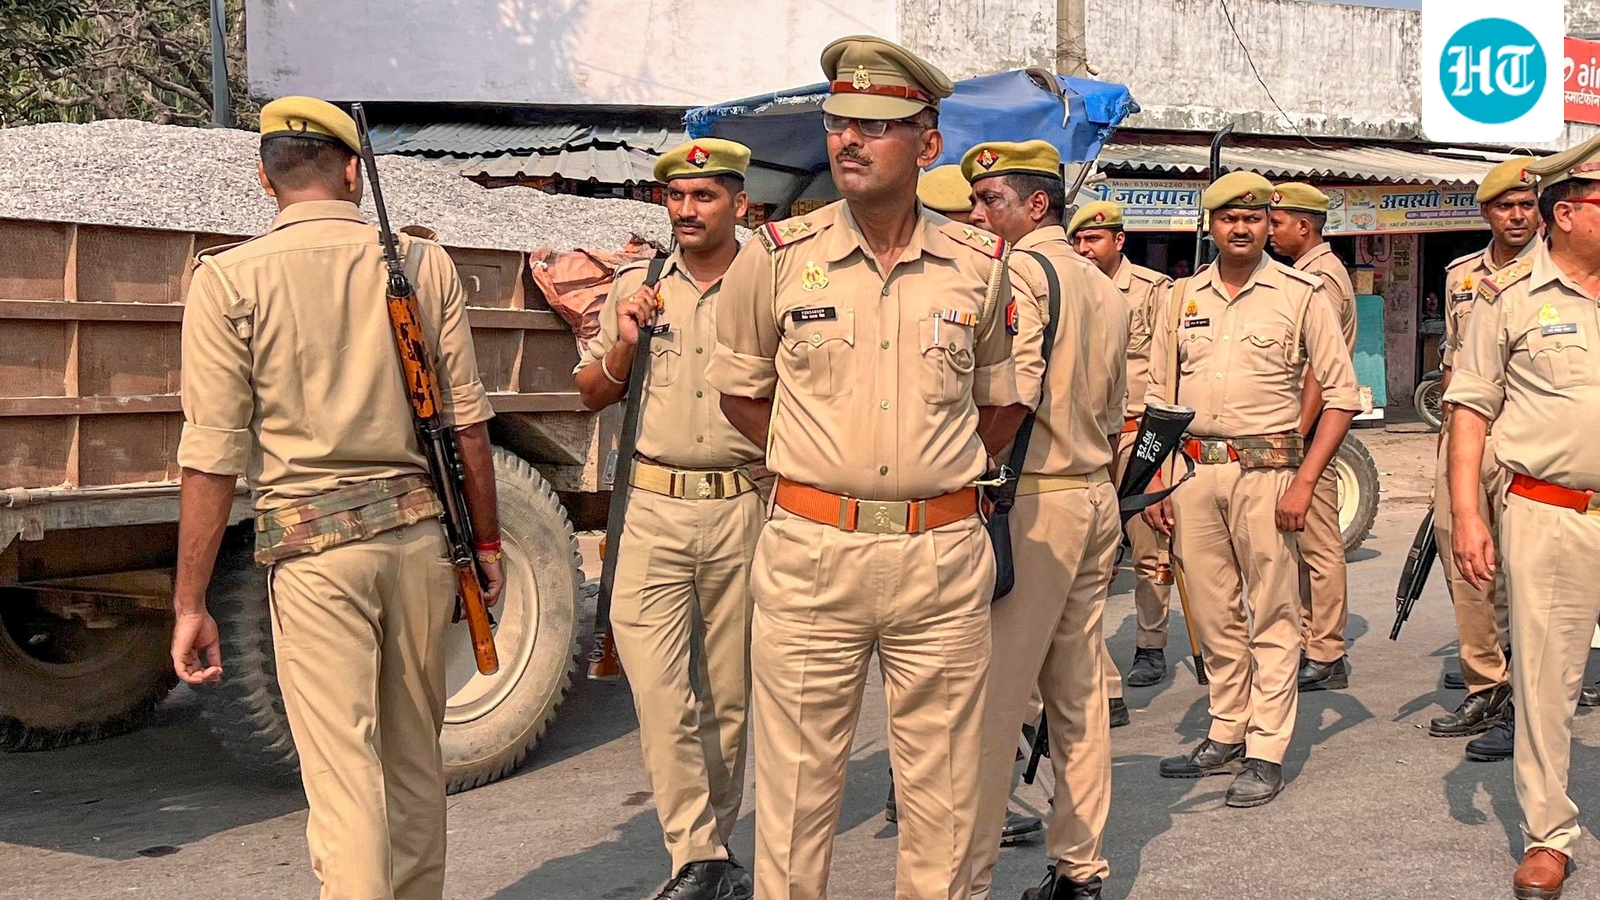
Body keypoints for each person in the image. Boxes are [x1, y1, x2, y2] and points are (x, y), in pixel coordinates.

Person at [707, 35, 1020, 900]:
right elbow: (741, 398)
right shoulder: (771, 260)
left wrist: (926, 477)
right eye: (840, 121)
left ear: (927, 145)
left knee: (943, 793)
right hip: (812, 554)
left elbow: (999, 404)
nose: (850, 139)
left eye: (876, 126)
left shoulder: (982, 267)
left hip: (942, 556)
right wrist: (823, 472)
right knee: (800, 794)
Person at [169, 97, 502, 900]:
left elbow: (211, 461)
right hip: (422, 543)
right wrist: (486, 548)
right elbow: (467, 428)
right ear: (354, 171)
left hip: (314, 557)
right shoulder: (423, 264)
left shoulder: (227, 280)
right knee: (416, 760)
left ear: (264, 179)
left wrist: (189, 604)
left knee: (345, 783)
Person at [573, 139, 762, 900]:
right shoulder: (637, 284)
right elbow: (590, 392)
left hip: (743, 506)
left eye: (704, 197)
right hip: (650, 508)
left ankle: (710, 848)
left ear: (738, 204)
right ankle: (695, 849)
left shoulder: (773, 282)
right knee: (658, 693)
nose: (686, 210)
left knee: (728, 695)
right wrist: (624, 343)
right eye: (676, 198)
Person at [1144, 172, 1360, 808]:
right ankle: (1225, 729)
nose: (1241, 229)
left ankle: (1266, 747)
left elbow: (1341, 397)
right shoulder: (1179, 297)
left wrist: (1305, 480)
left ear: (1270, 224)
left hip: (1268, 473)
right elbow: (1159, 398)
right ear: (1209, 226)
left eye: (1254, 219)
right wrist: (1155, 481)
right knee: (1212, 614)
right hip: (1191, 473)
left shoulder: (1301, 294)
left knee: (1273, 611)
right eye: (1228, 219)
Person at [963, 141, 1129, 900]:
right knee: (1078, 695)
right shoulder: (1101, 284)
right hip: (1091, 492)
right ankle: (1081, 868)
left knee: (992, 702)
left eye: (990, 199)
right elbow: (1119, 409)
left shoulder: (1023, 272)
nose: (975, 213)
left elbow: (1013, 391)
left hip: (1032, 498)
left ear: (1036, 206)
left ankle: (966, 874)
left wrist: (964, 468)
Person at [1446, 132, 1600, 900]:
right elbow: (1469, 413)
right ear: (1566, 211)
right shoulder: (1508, 301)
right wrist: (1469, 515)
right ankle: (1549, 832)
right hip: (1550, 510)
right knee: (1544, 680)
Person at [1425, 158, 1538, 761]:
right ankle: (1485, 685)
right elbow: (1451, 361)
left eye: (1526, 205)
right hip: (1466, 437)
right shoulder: (1462, 276)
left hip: (1528, 439)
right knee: (1463, 564)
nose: (1516, 215)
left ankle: (1526, 699)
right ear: (1486, 212)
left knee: (1526, 571)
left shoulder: (1559, 273)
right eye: (1504, 206)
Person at [1071, 199, 1175, 689]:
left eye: (1094, 239)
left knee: (1150, 544)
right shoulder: (1070, 286)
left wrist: (1160, 452)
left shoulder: (1154, 292)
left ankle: (1150, 646)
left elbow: (1166, 373)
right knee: (1092, 549)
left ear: (1119, 241)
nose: (1084, 249)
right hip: (1087, 434)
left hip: (1137, 432)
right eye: (1078, 241)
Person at [1267, 182, 1358, 693]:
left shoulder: (1319, 278)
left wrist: (1297, 436)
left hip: (1315, 423)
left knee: (1319, 544)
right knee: (1302, 544)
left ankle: (1326, 650)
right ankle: (1313, 640)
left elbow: (1320, 373)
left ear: (1305, 227)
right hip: (1308, 420)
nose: (1270, 230)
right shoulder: (1305, 272)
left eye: (1277, 223)